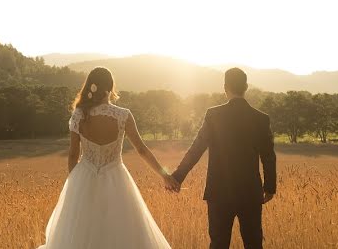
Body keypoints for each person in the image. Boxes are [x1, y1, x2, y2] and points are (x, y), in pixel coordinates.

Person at [38, 66, 177, 249]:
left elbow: (73, 154)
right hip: (116, 178)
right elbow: (142, 150)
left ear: (91, 87)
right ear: (111, 88)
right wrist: (164, 175)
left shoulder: (79, 114)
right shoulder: (123, 115)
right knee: (121, 230)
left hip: (84, 177)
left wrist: (74, 184)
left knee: (80, 231)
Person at [169, 67, 277, 249]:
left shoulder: (214, 115)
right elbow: (268, 156)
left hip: (218, 191)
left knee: (218, 243)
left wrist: (177, 177)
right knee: (253, 243)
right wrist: (270, 187)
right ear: (246, 87)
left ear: (225, 87)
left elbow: (197, 149)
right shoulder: (261, 119)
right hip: (250, 192)